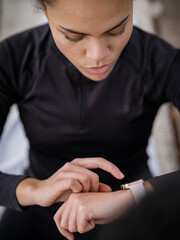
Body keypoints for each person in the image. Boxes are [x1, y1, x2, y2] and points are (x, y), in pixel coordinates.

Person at [0, 0, 179, 239]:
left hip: (138, 212)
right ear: (45, 11)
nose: (98, 56)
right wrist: (34, 189)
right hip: (36, 213)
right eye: (73, 36)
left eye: (117, 30)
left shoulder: (162, 61)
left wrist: (135, 196)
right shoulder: (13, 58)